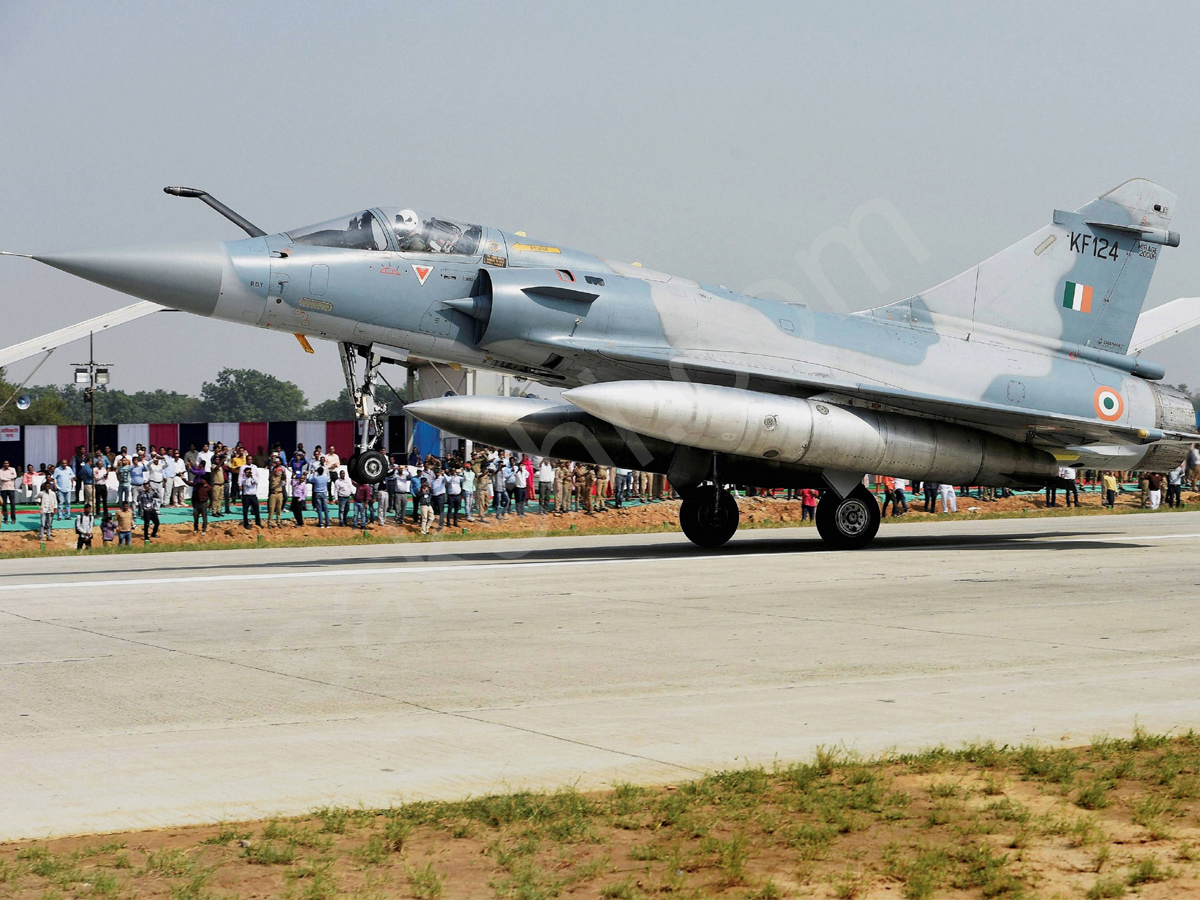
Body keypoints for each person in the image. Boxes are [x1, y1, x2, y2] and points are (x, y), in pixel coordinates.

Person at [185, 464, 212, 533]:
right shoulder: (199, 484)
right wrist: (184, 480)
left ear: (205, 480)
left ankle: (204, 529)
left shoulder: (209, 488)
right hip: (197, 502)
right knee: (195, 516)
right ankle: (195, 528)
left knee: (204, 517)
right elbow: (191, 484)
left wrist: (210, 505)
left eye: (202, 479)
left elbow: (212, 497)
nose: (201, 480)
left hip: (204, 503)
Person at [0, 460, 16, 524]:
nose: (6, 464)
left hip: (11, 488)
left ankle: (13, 518)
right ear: (3, 464)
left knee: (12, 504)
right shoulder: (1, 470)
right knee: (4, 504)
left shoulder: (12, 469)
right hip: (3, 488)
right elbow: (2, 478)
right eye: (5, 463)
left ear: (9, 464)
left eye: (7, 463)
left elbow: (14, 476)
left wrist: (6, 477)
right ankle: (5, 518)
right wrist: (9, 478)